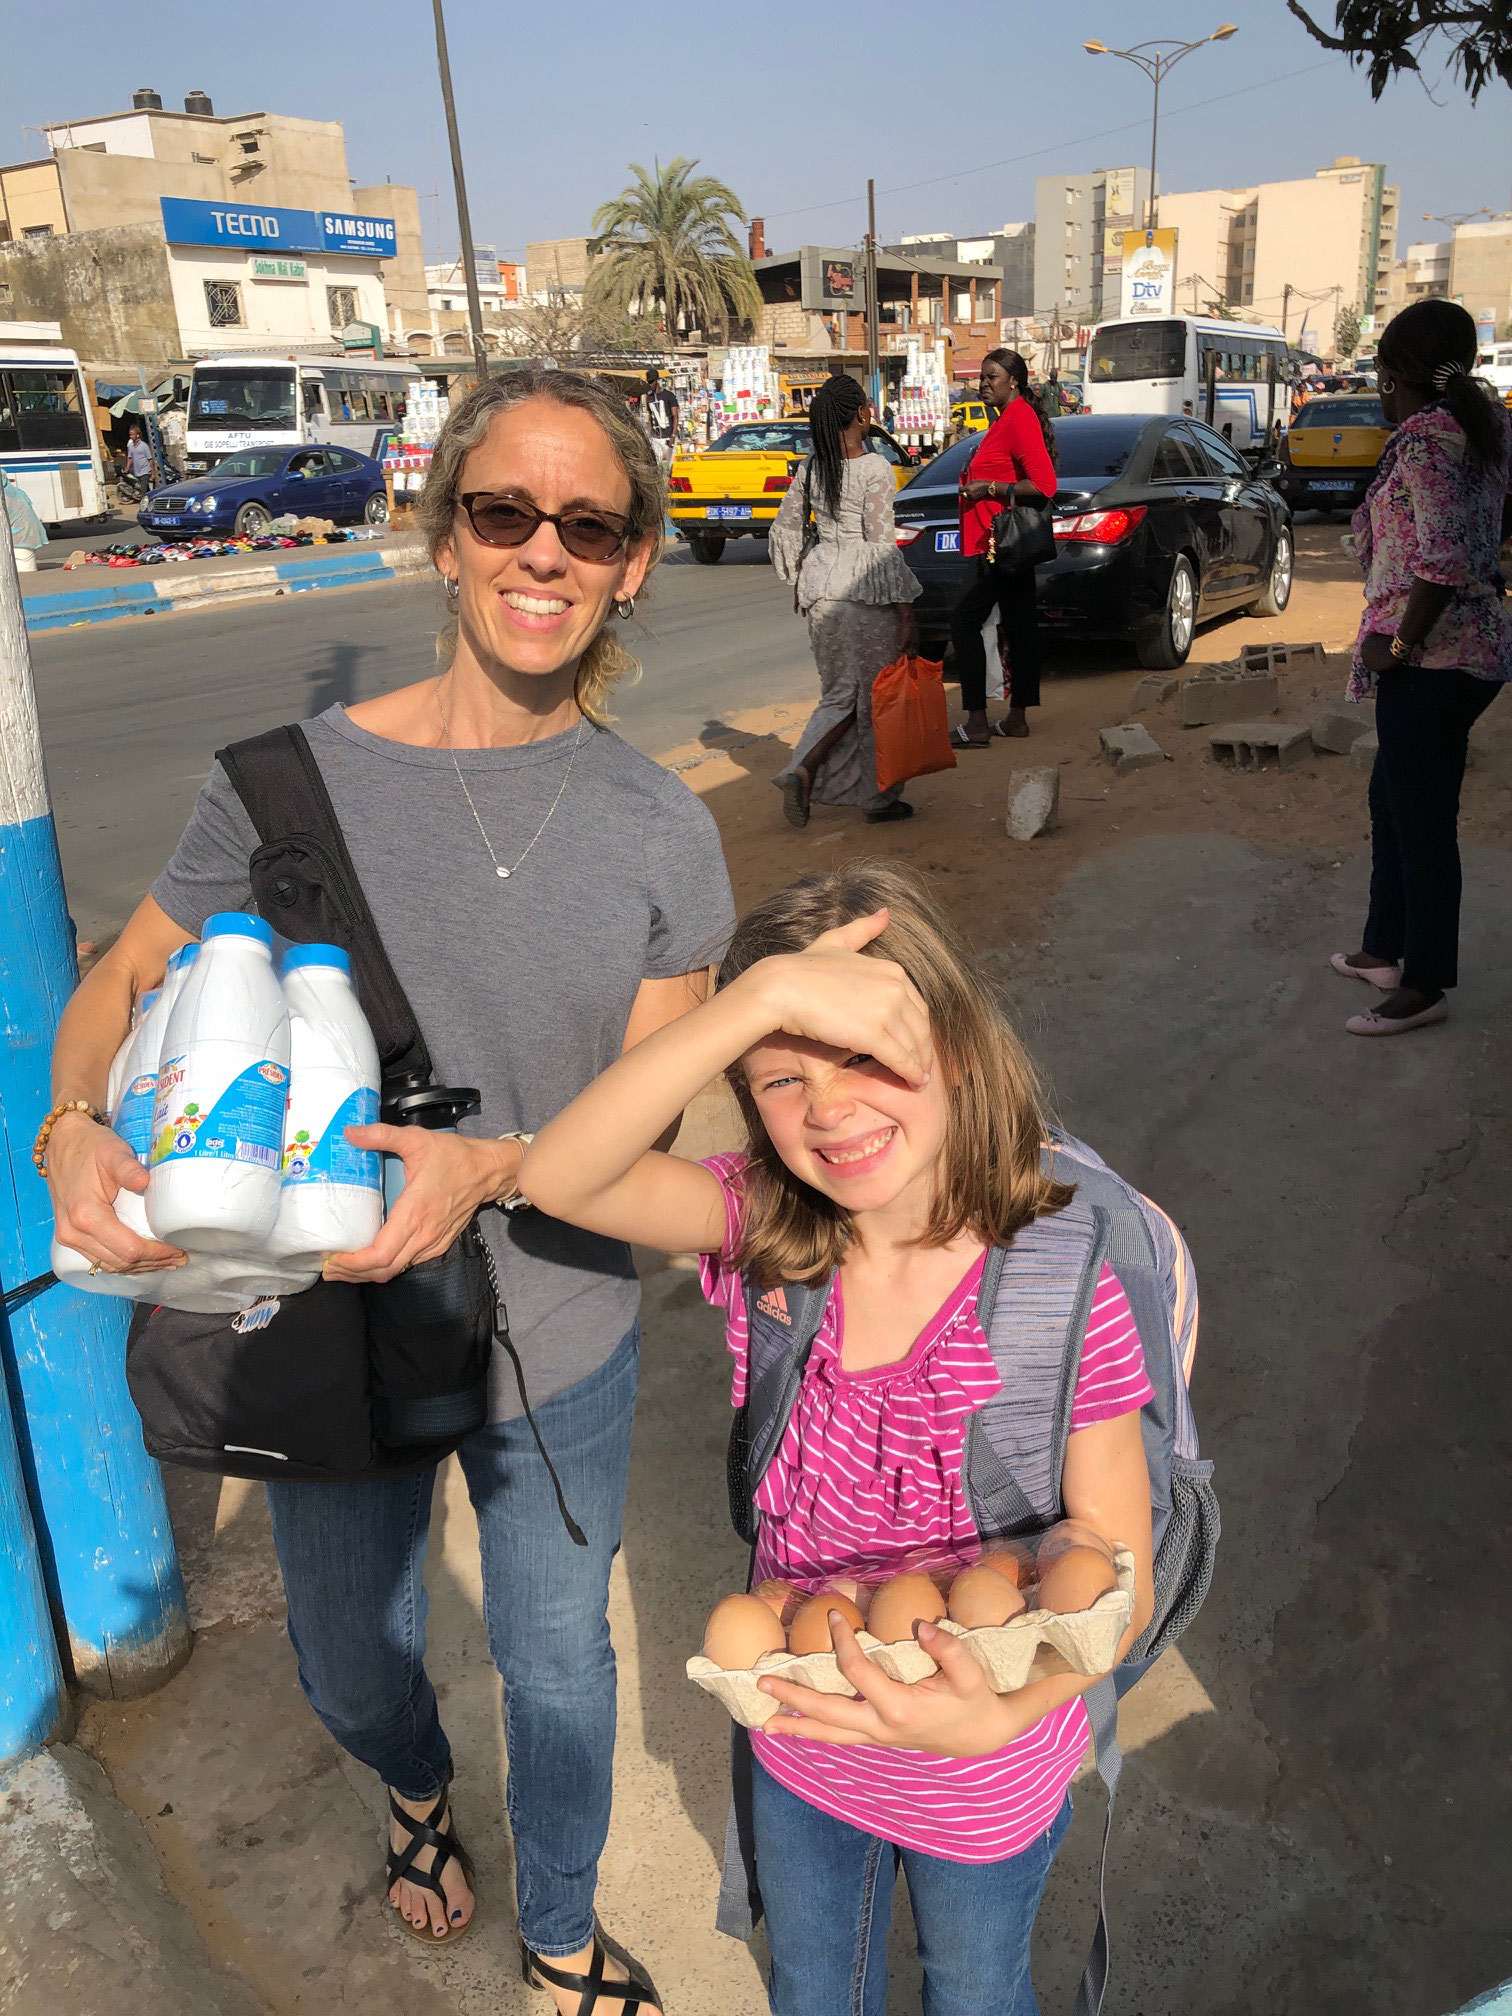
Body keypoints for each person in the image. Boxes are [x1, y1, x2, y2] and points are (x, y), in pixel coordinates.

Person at [42, 365, 734, 2016]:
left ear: (633, 560)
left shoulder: (660, 832)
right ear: (445, 535)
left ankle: (558, 1934)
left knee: (559, 1669)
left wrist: (494, 1167)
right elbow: (127, 978)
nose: (543, 553)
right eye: (505, 512)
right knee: (351, 1662)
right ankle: (417, 1794)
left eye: (588, 524)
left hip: (552, 1334)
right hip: (324, 1325)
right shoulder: (284, 784)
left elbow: (645, 1134)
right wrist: (76, 1121)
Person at [518, 861, 1156, 2016]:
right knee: (816, 1985)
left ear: (955, 1044)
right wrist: (748, 1001)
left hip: (986, 1765)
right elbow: (558, 1177)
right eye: (781, 1074)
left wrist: (998, 1711)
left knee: (973, 1985)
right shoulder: (766, 1231)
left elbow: (1118, 1564)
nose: (827, 1106)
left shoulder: (1062, 1280)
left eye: (866, 1054)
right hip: (805, 1743)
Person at [1331, 298, 1512, 1037]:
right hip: (1475, 650)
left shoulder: (1425, 445)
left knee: (1423, 821)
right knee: (1392, 798)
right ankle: (1384, 947)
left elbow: (1437, 562)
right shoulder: (1487, 428)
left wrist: (1397, 648)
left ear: (1389, 374)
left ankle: (1425, 981)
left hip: (1433, 660)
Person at [769, 376, 922, 829]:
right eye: (867, 403)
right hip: (863, 593)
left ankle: (808, 773)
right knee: (874, 698)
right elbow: (881, 545)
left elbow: (787, 527)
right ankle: (859, 789)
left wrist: (801, 577)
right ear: (860, 414)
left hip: (821, 589)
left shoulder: (814, 466)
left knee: (838, 695)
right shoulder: (874, 467)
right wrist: (906, 613)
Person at [947, 349, 1057, 746]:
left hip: (997, 544)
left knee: (963, 621)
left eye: (992, 376)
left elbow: (1044, 485)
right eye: (981, 376)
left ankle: (977, 723)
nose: (983, 383)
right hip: (1003, 543)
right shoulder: (1007, 419)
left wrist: (987, 488)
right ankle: (1017, 719)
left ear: (1014, 381)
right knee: (1019, 623)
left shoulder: (1018, 419)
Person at [643, 368, 679, 468]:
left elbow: (675, 417)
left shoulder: (669, 395)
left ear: (657, 380)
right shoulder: (648, 397)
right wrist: (649, 435)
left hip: (668, 436)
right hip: (656, 438)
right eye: (648, 382)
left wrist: (673, 435)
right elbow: (650, 415)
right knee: (657, 466)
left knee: (671, 466)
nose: (650, 384)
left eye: (651, 381)